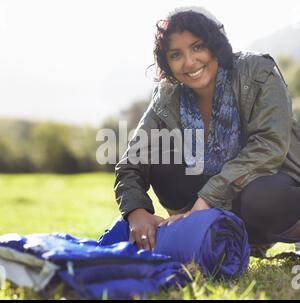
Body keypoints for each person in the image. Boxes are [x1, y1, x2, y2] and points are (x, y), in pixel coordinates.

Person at [114, 7, 300, 256]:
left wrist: (206, 200)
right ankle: (208, 239)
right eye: (176, 54)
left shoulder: (257, 71)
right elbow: (132, 162)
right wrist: (136, 213)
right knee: (163, 162)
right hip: (216, 204)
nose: (189, 62)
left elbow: (269, 145)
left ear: (214, 45)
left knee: (260, 197)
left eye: (197, 46)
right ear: (167, 63)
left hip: (277, 188)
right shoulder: (167, 96)